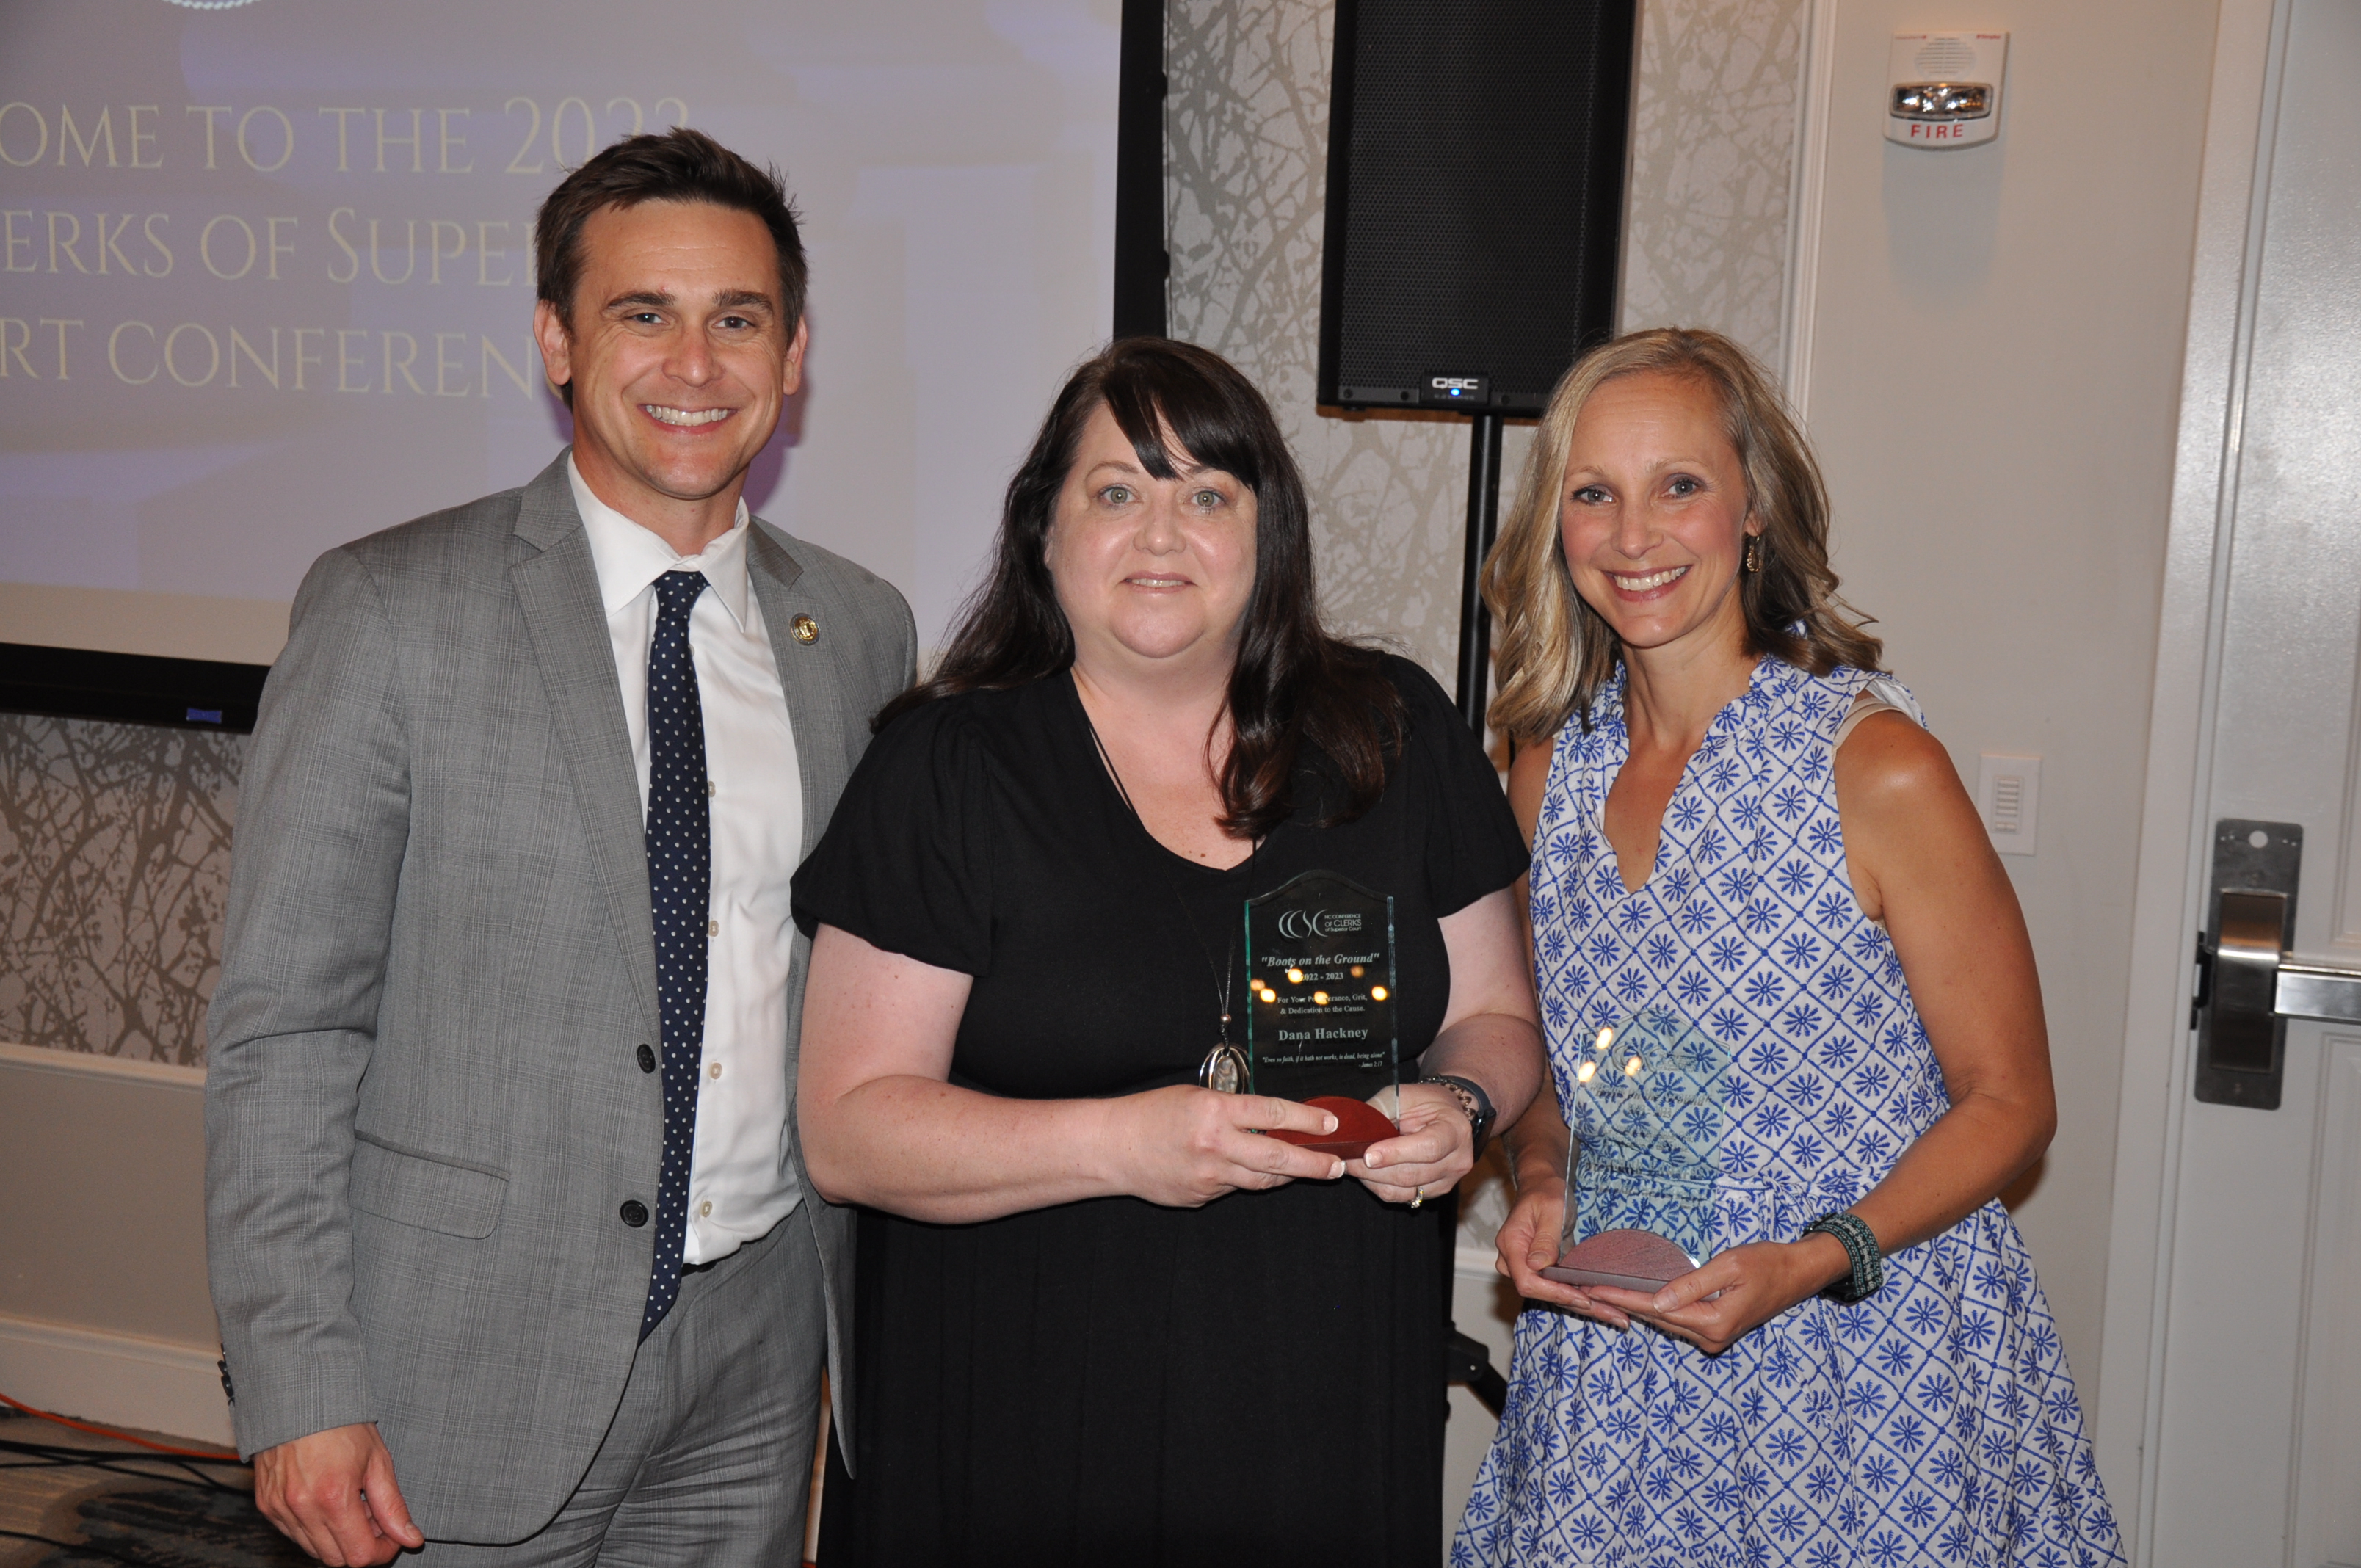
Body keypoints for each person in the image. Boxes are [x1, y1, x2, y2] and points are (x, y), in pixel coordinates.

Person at [205, 128, 914, 1566]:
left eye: (739, 319)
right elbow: (287, 1029)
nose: (695, 363)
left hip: (761, 1360)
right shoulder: (387, 610)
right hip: (459, 1364)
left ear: (793, 359)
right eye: (642, 314)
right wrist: (299, 1383)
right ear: (557, 342)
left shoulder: (862, 632)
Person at [789, 337, 1545, 1565]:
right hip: (1021, 1424)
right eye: (1117, 491)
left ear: (1267, 535)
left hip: (1324, 1404)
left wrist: (1461, 1103)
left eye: (1206, 494)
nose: (1161, 532)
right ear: (1046, 531)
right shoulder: (945, 773)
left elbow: (1501, 1018)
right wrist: (1125, 1142)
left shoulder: (1394, 733)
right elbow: (849, 1131)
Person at [1454, 328, 2122, 1565]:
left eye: (1680, 487)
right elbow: (1552, 1062)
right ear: (1558, 524)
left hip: (1867, 1358)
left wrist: (1818, 1257)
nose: (1634, 535)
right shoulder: (1547, 766)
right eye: (1594, 493)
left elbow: (2011, 1101)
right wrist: (1542, 1182)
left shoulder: (1873, 766)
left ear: (1751, 505)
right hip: (1619, 1350)